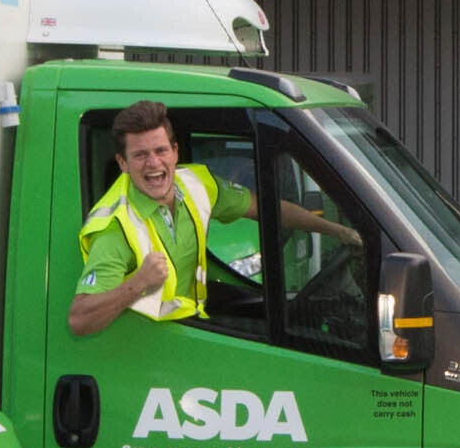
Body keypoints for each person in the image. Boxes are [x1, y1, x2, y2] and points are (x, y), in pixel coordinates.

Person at [69, 100, 356, 339]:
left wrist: (338, 231)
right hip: (149, 352)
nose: (153, 163)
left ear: (175, 152)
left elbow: (269, 209)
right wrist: (138, 282)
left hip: (193, 332)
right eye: (140, 155)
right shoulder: (116, 228)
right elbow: (80, 319)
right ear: (123, 163)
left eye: (160, 151)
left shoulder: (196, 183)